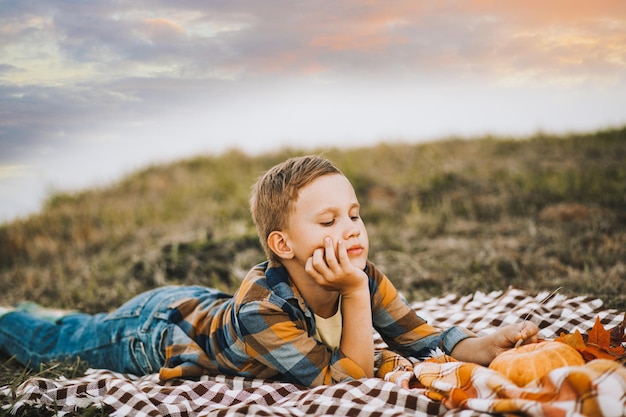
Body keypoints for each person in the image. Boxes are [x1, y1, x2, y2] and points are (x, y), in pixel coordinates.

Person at [0, 155, 538, 388]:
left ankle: (44, 312)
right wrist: (352, 295)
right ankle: (12, 317)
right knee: (59, 342)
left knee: (74, 321)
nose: (351, 229)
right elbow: (343, 380)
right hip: (159, 333)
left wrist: (481, 345)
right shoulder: (264, 304)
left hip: (199, 303)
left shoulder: (363, 274)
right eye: (328, 220)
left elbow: (422, 337)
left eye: (354, 214)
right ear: (283, 243)